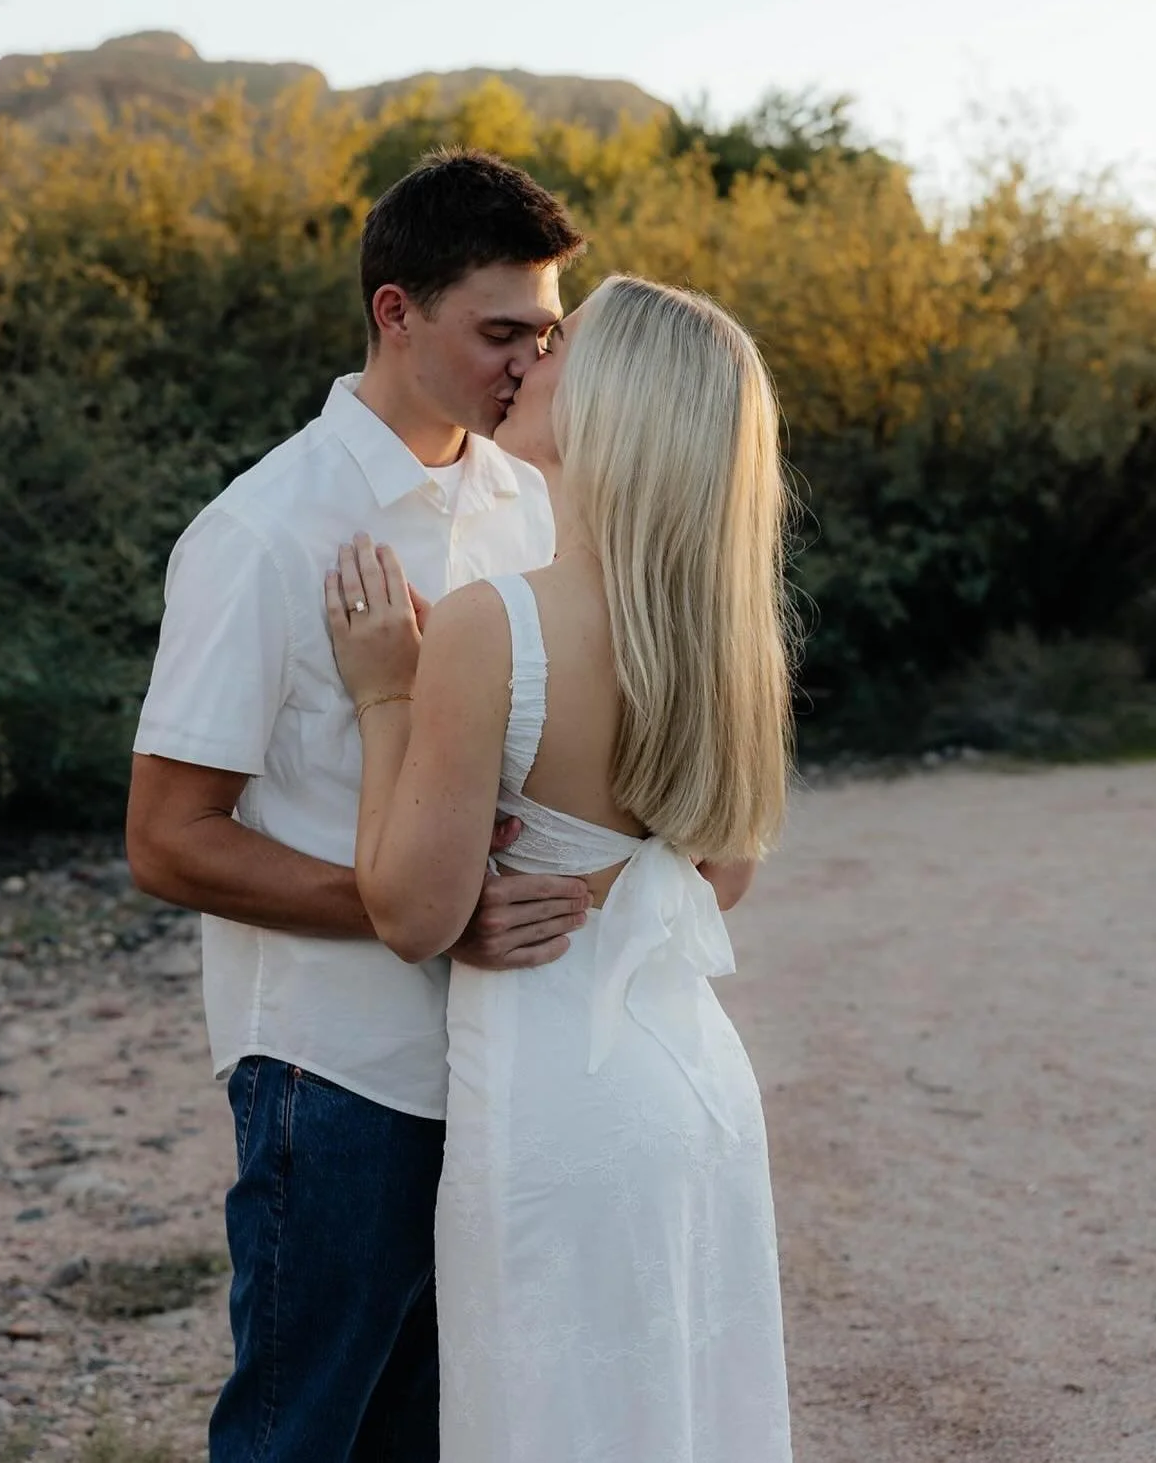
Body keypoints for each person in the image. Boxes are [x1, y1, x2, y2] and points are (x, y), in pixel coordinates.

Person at [124, 149, 592, 1463]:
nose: (528, 364)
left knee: (439, 1434)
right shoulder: (264, 532)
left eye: (545, 335)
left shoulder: (534, 505)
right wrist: (421, 912)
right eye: (499, 331)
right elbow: (167, 837)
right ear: (397, 311)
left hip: (509, 1061)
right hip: (333, 1071)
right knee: (298, 1436)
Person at [326, 274, 795, 1462]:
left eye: (562, 346)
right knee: (680, 1412)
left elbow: (413, 909)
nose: (531, 358)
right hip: (692, 1088)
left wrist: (386, 687)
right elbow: (717, 877)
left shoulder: (494, 624)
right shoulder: (726, 637)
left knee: (551, 1420)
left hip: (556, 1097)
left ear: (617, 407)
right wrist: (598, 881)